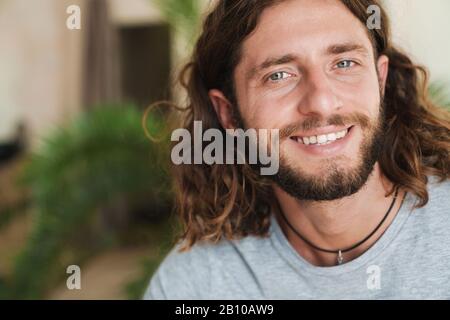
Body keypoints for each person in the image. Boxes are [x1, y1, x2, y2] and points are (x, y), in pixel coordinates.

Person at [145, 0, 450, 299]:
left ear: (380, 80)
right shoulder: (193, 285)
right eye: (278, 75)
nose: (321, 103)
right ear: (228, 114)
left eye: (344, 63)